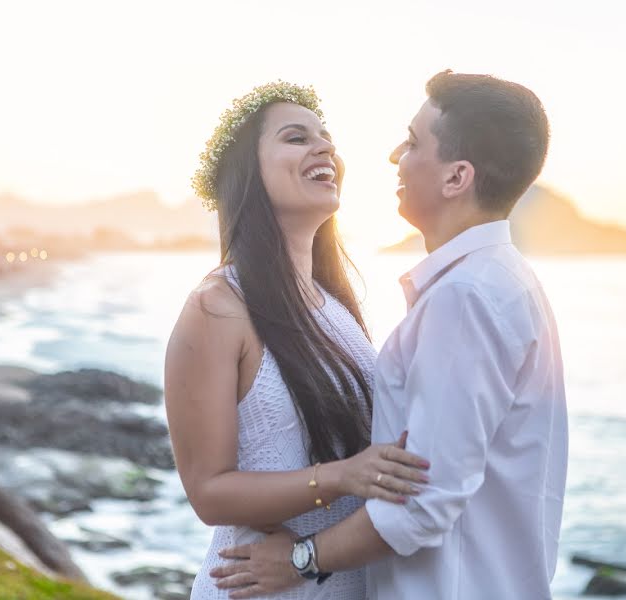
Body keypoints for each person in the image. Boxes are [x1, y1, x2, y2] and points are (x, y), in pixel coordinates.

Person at [211, 70, 569, 600]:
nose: (394, 155)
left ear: (457, 178)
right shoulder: (499, 281)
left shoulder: (465, 297)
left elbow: (423, 501)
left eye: (414, 142)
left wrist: (300, 559)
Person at [164, 81, 430, 599]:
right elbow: (208, 492)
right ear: (249, 174)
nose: (325, 147)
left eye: (327, 137)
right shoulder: (217, 307)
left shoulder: (337, 306)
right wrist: (342, 477)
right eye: (295, 137)